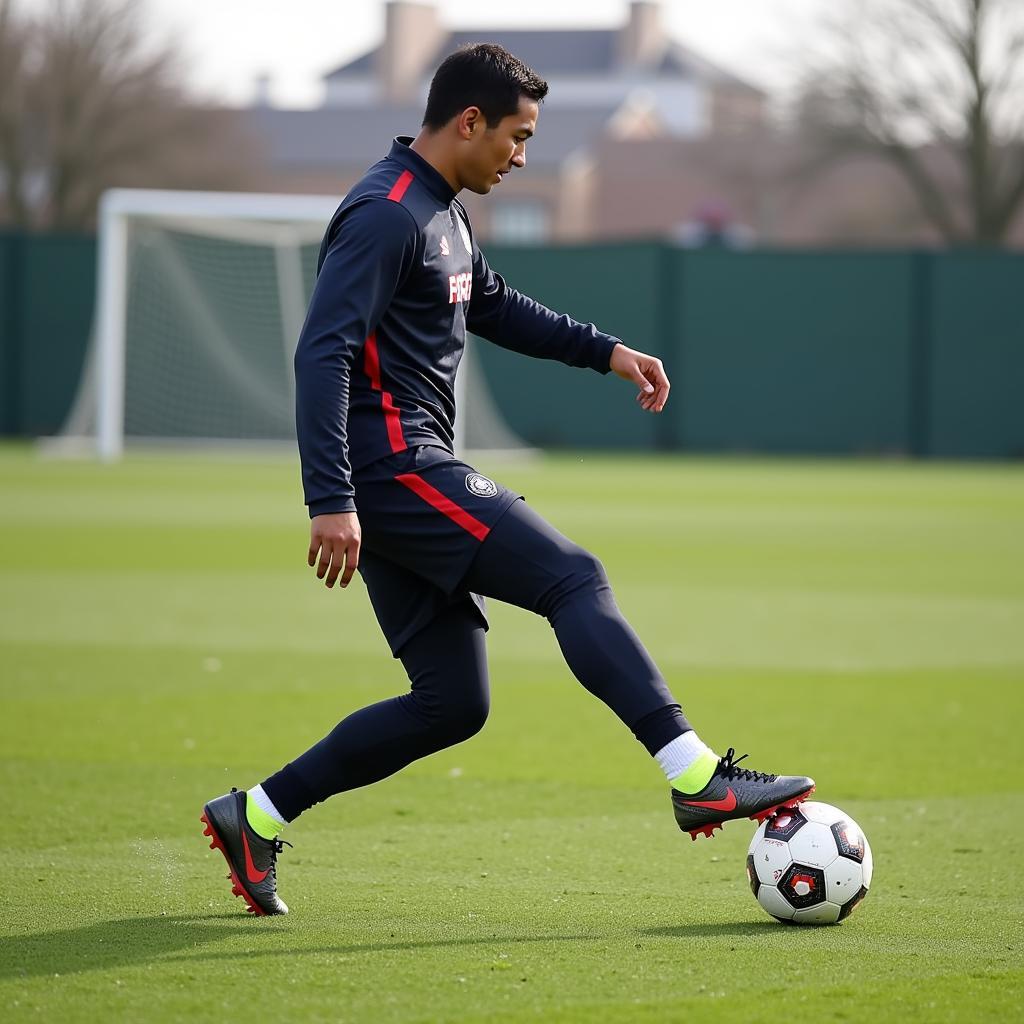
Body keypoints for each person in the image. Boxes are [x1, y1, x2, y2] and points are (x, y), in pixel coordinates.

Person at [200, 44, 813, 917]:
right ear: (469, 122)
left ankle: (254, 815)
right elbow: (321, 352)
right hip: (392, 467)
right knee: (574, 576)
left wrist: (606, 351)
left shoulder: (443, 212)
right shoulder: (385, 213)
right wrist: (330, 496)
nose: (522, 156)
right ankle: (695, 775)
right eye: (517, 137)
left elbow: (490, 304)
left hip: (399, 473)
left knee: (452, 703)